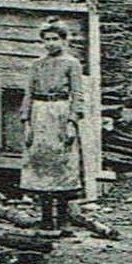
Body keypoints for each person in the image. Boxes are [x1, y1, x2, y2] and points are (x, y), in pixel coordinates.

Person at [19, 18, 84, 230]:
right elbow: (28, 94)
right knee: (40, 162)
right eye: (46, 39)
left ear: (64, 40)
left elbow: (78, 95)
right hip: (39, 115)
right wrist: (26, 123)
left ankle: (63, 219)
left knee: (63, 163)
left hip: (61, 113)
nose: (50, 43)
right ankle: (46, 218)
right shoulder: (37, 65)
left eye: (55, 39)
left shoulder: (72, 64)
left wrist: (72, 122)